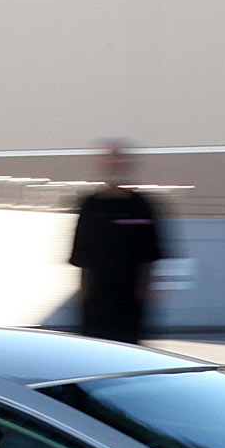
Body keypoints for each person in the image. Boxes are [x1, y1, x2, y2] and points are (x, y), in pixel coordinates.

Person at [68, 138, 171, 344]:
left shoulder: (142, 206)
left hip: (129, 310)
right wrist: (85, 305)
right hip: (96, 310)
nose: (115, 163)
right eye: (110, 158)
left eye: (119, 158)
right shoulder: (90, 206)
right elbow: (82, 263)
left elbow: (149, 262)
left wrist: (142, 304)